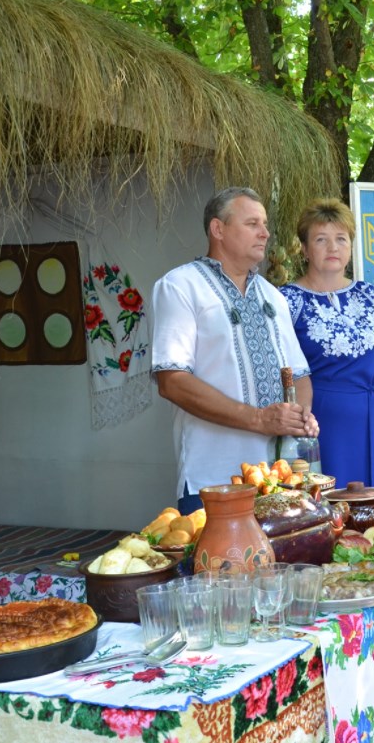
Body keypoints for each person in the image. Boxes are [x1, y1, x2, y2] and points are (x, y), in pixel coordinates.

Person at [152, 187, 318, 513]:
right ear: (218, 229)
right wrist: (258, 419)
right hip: (214, 478)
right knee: (222, 565)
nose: (265, 232)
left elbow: (299, 376)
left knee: (285, 564)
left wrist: (298, 419)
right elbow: (171, 381)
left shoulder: (274, 297)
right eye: (252, 223)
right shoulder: (180, 286)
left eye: (265, 224)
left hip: (282, 477)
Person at [281, 200, 374, 487]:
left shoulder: (371, 296)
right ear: (304, 249)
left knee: (373, 516)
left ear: (351, 247)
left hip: (371, 422)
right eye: (321, 239)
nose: (333, 247)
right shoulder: (287, 301)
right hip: (317, 427)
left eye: (341, 239)